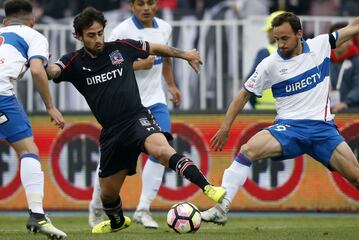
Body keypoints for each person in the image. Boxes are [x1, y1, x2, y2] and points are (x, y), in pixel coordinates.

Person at [45, 7, 226, 234]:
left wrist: (184, 54)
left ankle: (208, 188)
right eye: (91, 35)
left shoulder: (121, 47)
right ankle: (118, 221)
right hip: (111, 133)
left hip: (136, 118)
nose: (98, 39)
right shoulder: (73, 62)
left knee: (162, 151)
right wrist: (44, 66)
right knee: (107, 194)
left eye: (100, 33)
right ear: (79, 37)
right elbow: (54, 71)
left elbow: (156, 47)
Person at [201, 12, 359, 224]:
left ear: (299, 34)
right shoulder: (269, 64)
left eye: (285, 38)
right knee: (248, 150)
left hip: (323, 130)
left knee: (356, 177)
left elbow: (353, 27)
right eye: (276, 39)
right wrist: (225, 127)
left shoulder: (321, 44)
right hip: (290, 128)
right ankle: (222, 207)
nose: (280, 44)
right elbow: (243, 94)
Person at [88, 0, 182, 229]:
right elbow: (107, 66)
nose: (146, 8)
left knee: (164, 150)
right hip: (127, 106)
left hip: (156, 101)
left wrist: (170, 85)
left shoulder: (165, 28)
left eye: (150, 3)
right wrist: (139, 65)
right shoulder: (121, 31)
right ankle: (96, 205)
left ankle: (143, 208)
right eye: (140, 3)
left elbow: (166, 58)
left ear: (157, 5)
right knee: (111, 163)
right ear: (132, 6)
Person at [0, 0, 66, 239]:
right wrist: (50, 106)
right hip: (1, 96)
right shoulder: (33, 35)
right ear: (32, 20)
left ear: (5, 21)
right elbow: (38, 71)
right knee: (28, 150)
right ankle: (38, 216)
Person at [247, 10, 284, 109]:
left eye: (268, 30)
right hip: (288, 111)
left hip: (264, 111)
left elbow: (250, 85)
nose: (267, 34)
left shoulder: (265, 52)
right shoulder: (298, 53)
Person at [329, 22, 359, 113]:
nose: (339, 42)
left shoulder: (357, 61)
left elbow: (358, 86)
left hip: (351, 111)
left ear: (350, 39)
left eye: (342, 39)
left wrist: (346, 102)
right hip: (327, 112)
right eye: (336, 39)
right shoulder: (323, 59)